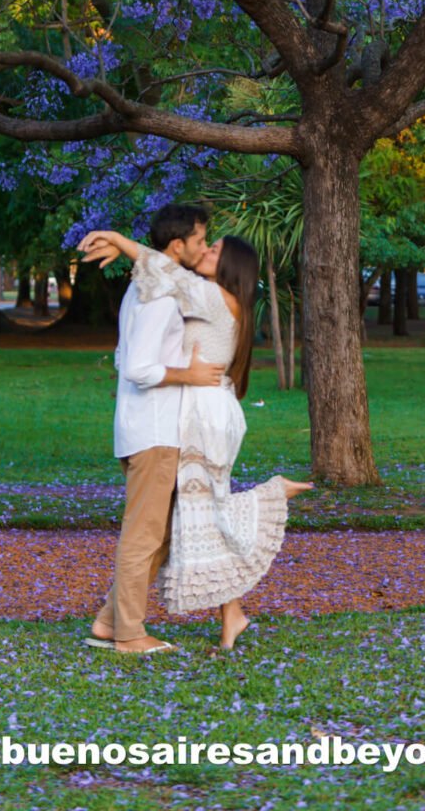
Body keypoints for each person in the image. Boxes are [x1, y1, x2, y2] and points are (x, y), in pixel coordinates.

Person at [80, 226, 313, 649]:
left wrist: (118, 239)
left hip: (204, 417)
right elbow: (167, 267)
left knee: (206, 512)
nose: (206, 250)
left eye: (216, 249)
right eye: (206, 244)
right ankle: (225, 615)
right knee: (192, 516)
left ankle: (271, 496)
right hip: (202, 412)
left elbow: (166, 266)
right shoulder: (213, 299)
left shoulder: (216, 300)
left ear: (231, 267)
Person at [84, 204, 226, 654]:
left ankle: (110, 621)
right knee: (144, 536)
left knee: (160, 535)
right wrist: (192, 375)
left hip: (153, 430)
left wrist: (127, 246)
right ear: (177, 245)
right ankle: (129, 634)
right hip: (153, 433)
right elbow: (139, 367)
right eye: (201, 240)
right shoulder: (158, 297)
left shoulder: (154, 284)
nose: (205, 248)